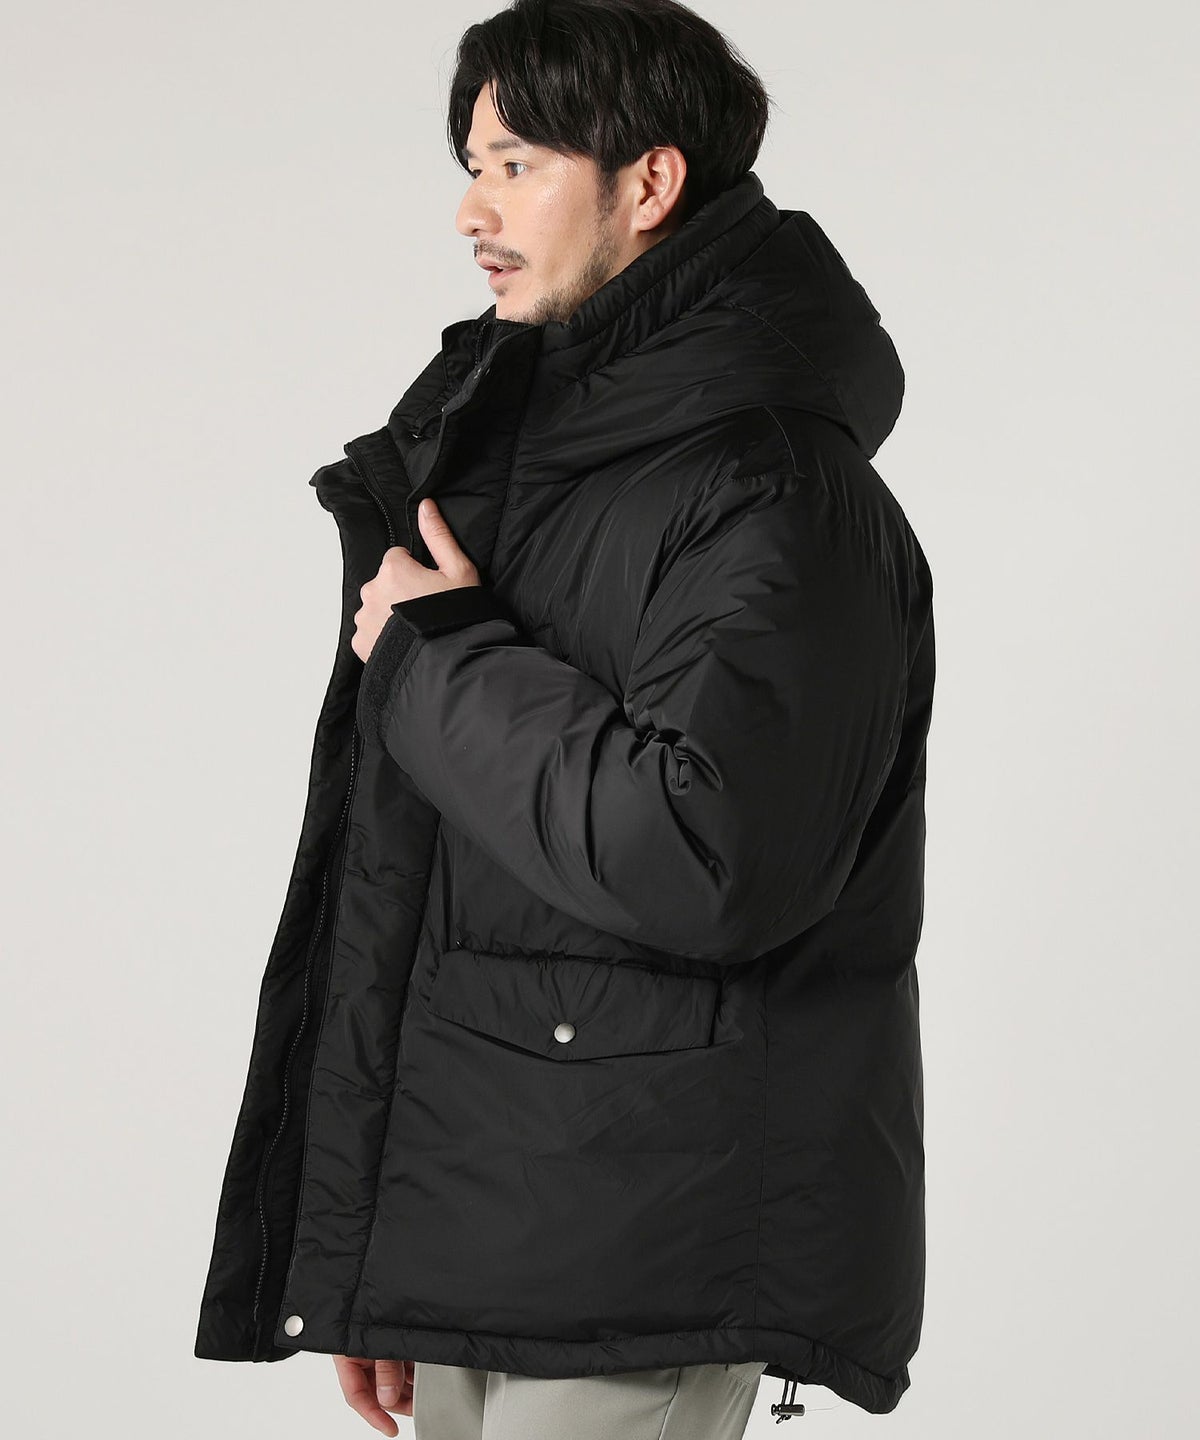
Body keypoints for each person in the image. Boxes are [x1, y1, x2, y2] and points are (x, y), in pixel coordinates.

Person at [193, 2, 935, 1436]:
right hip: (493, 1221)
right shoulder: (526, 458)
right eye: (472, 167)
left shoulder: (774, 485)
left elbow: (709, 858)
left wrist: (440, 663)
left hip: (651, 1243)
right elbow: (430, 891)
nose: (473, 211)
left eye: (518, 165)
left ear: (647, 182)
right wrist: (390, 1272)